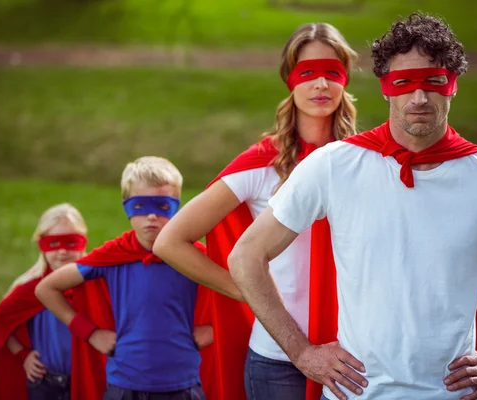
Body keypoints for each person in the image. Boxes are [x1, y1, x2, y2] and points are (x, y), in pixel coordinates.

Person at [227, 13, 477, 400]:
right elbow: (246, 256)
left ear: (452, 86)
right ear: (385, 89)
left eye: (434, 81)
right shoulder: (333, 166)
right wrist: (302, 353)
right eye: (404, 83)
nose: (419, 97)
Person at [153, 22, 358, 400]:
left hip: (354, 354)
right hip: (277, 360)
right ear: (290, 81)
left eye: (332, 72)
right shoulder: (263, 163)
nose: (321, 84)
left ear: (345, 79)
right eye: (308, 73)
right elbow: (170, 241)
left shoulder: (364, 161)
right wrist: (249, 291)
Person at [35, 156, 213, 400]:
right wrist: (90, 333)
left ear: (176, 206)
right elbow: (46, 288)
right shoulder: (113, 256)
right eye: (141, 206)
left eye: (161, 206)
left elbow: (239, 289)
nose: (151, 217)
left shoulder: (193, 256)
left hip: (183, 384)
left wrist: (214, 330)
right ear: (126, 205)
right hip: (124, 385)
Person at [0, 203, 89, 400]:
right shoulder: (30, 287)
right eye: (53, 244)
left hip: (87, 378)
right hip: (44, 381)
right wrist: (23, 355)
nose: (62, 252)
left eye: (70, 243)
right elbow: (0, 320)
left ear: (83, 243)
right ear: (41, 245)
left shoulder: (94, 283)